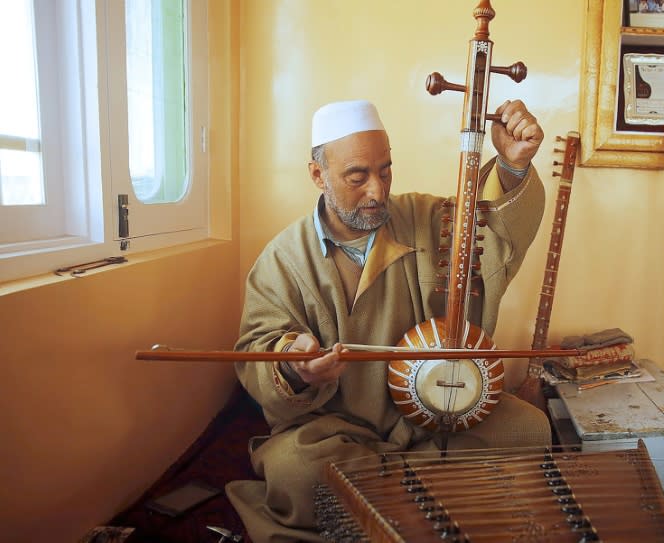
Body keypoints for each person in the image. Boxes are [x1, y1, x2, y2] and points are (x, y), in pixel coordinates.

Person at [226, 99, 550, 542]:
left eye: (385, 171)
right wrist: (292, 365)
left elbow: (489, 234)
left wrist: (512, 168)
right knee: (297, 472)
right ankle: (434, 496)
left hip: (433, 413)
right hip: (332, 428)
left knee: (529, 430)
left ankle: (375, 497)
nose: (377, 191)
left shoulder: (427, 219)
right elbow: (258, 347)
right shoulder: (283, 259)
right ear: (318, 175)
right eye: (357, 177)